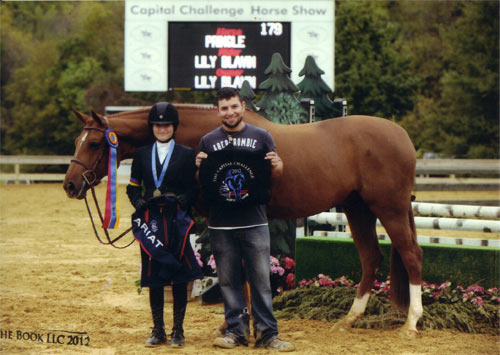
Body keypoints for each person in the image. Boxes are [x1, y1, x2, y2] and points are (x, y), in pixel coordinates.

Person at [195, 87, 294, 352]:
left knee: (261, 282)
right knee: (228, 282)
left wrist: (278, 166)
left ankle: (268, 334)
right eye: (224, 108)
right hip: (221, 224)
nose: (230, 112)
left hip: (254, 222)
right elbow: (204, 184)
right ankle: (236, 332)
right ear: (219, 111)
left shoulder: (261, 137)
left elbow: (275, 176)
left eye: (234, 106)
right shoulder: (207, 141)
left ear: (243, 107)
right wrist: (198, 168)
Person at [127, 102, 202, 348]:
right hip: (152, 222)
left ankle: (178, 330)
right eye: (158, 125)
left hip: (176, 219)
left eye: (166, 124)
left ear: (174, 127)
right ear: (152, 127)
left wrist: (186, 199)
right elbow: (133, 185)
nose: (162, 129)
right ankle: (158, 329)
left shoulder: (186, 153)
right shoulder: (141, 154)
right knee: (154, 276)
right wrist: (136, 199)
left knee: (179, 275)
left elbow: (193, 186)